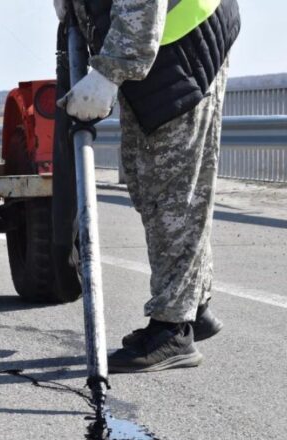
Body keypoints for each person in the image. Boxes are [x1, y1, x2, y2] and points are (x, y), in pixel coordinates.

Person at [53, 0, 241, 373]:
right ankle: (193, 306)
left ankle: (173, 329)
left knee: (172, 195)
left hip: (177, 44)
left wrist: (108, 72)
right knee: (149, 183)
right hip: (154, 46)